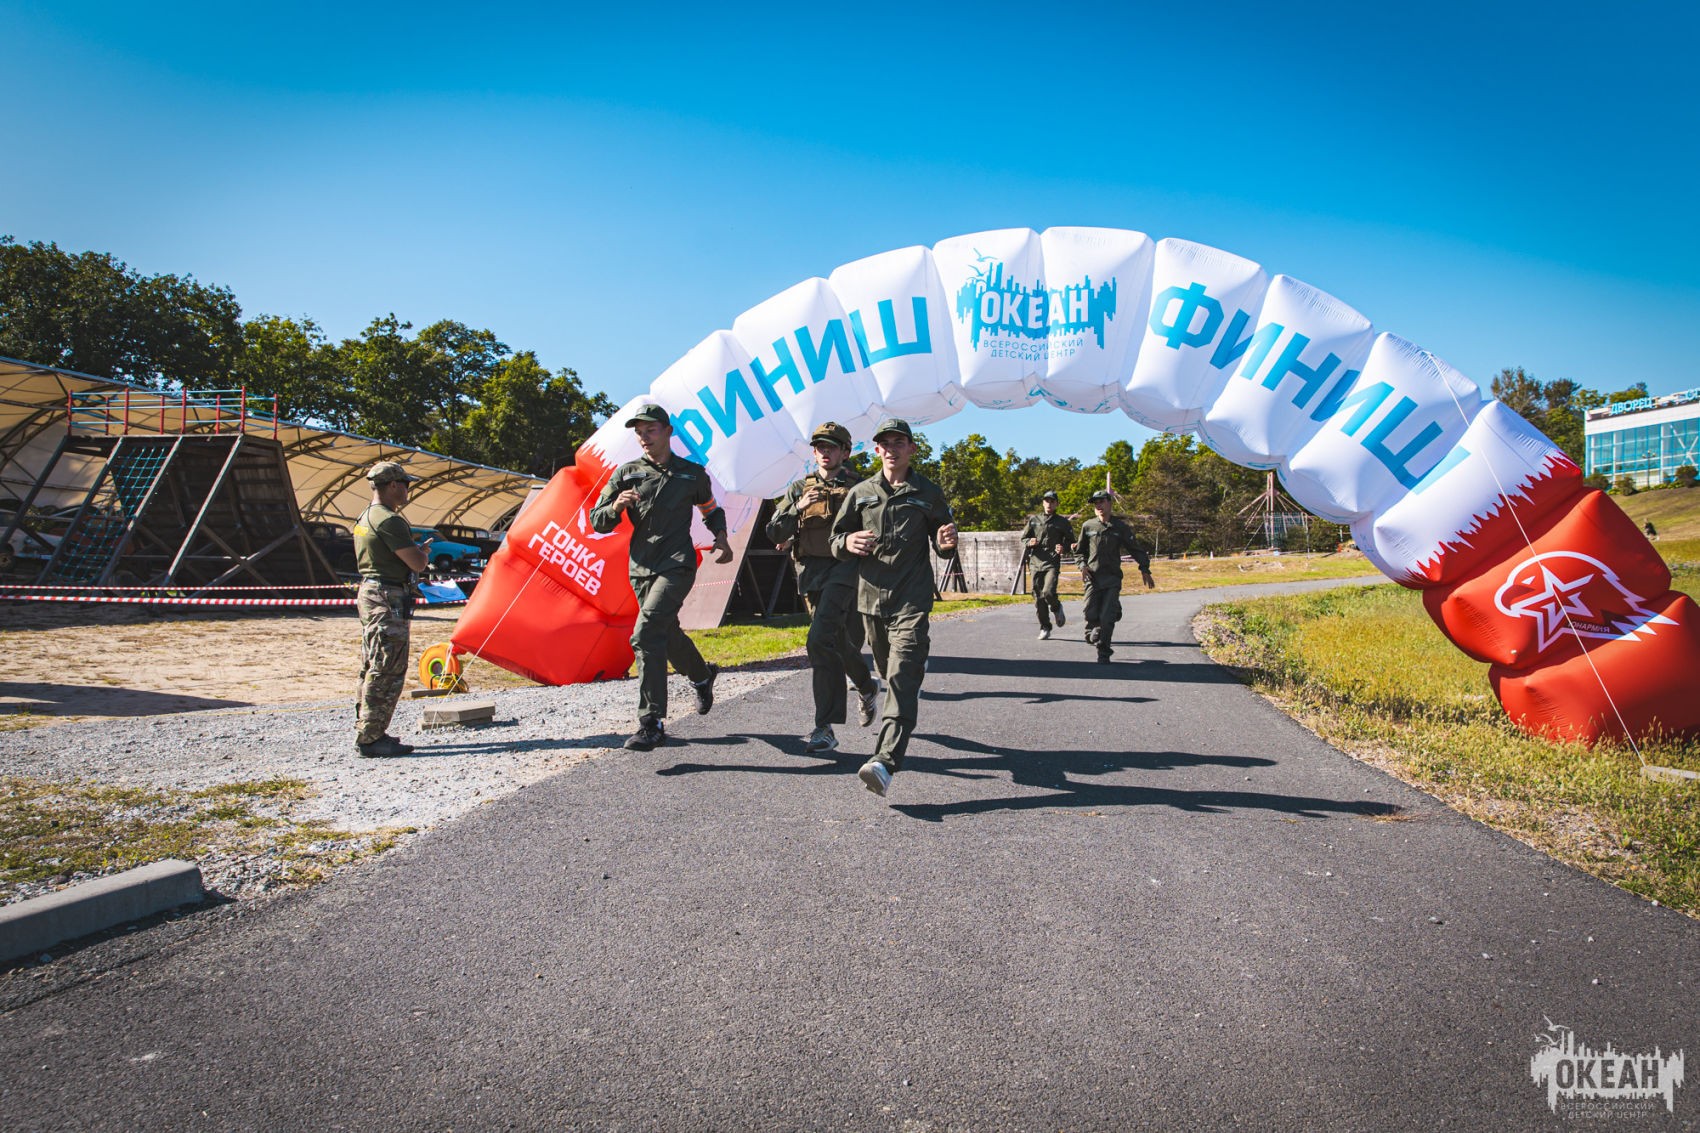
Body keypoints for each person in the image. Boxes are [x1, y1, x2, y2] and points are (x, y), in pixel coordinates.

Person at [590, 404, 733, 751]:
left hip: (678, 564)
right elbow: (597, 520)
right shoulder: (626, 473)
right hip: (641, 568)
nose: (644, 437)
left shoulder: (691, 474)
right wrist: (616, 507)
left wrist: (721, 537)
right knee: (664, 633)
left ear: (668, 432)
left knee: (645, 633)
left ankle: (650, 722)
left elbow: (710, 508)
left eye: (651, 430)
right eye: (639, 432)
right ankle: (702, 675)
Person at [831, 417, 957, 797]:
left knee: (901, 678)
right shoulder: (861, 492)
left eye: (899, 442)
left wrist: (946, 544)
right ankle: (909, 671)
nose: (891, 449)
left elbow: (944, 541)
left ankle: (884, 761)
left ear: (912, 449)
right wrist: (848, 542)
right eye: (885, 443)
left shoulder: (928, 492)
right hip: (871, 600)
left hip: (911, 601)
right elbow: (836, 539)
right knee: (888, 671)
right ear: (876, 450)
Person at [766, 421, 880, 754]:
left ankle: (824, 727)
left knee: (818, 640)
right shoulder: (798, 489)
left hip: (846, 571)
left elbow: (879, 530)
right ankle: (866, 684)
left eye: (832, 447)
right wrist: (798, 509)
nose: (825, 452)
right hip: (811, 573)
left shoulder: (862, 488)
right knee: (833, 641)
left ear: (846, 452)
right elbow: (774, 532)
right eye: (819, 447)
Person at [352, 461, 434, 758]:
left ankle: (369, 729)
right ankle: (371, 737)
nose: (407, 491)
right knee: (387, 667)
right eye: (405, 485)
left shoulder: (365, 516)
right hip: (387, 597)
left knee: (373, 664)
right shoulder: (389, 520)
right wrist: (422, 554)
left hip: (373, 592)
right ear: (393, 485)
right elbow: (416, 563)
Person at [1076, 489, 1154, 664]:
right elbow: (1079, 552)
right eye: (1095, 503)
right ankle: (1096, 626)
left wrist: (1145, 568)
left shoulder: (1120, 527)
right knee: (1090, 612)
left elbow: (1135, 549)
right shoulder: (1088, 526)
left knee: (1107, 617)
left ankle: (1104, 652)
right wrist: (1082, 566)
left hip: (1112, 578)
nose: (1098, 506)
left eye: (1101, 502)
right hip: (1093, 578)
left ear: (1109, 503)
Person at [1020, 489, 1075, 640]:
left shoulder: (1062, 522)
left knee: (1048, 592)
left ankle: (1056, 607)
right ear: (1043, 503)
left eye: (1052, 501)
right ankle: (1045, 627)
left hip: (1052, 562)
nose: (1049, 504)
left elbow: (1072, 542)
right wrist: (1029, 542)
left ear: (1057, 504)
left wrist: (1063, 548)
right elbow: (1023, 538)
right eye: (1046, 501)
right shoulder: (1034, 520)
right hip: (1035, 562)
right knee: (1038, 597)